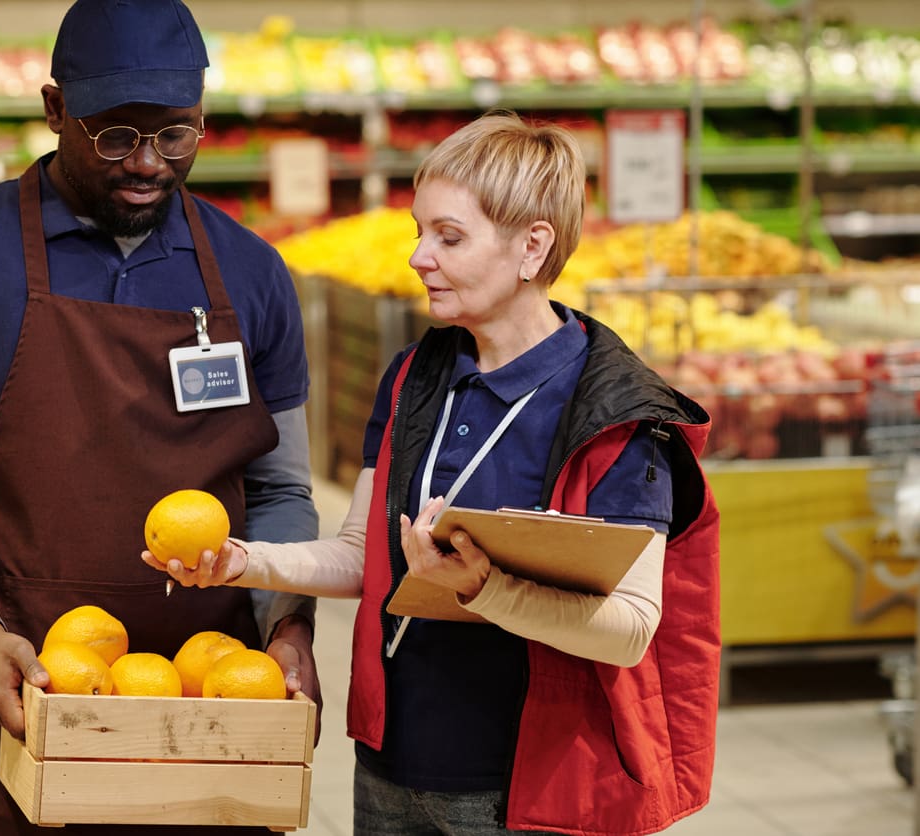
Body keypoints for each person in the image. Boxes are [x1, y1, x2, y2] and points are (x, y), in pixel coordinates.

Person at [151, 111, 721, 836]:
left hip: (524, 789)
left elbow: (630, 630)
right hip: (393, 766)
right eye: (419, 232)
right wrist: (241, 562)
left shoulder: (615, 412)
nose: (420, 257)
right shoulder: (413, 377)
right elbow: (366, 555)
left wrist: (486, 588)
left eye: (449, 237)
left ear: (531, 246)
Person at [0, 1, 321, 833]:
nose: (148, 164)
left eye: (176, 136)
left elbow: (279, 487)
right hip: (37, 689)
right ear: (54, 111)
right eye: (116, 136)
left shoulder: (252, 274)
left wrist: (288, 626)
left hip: (211, 701)